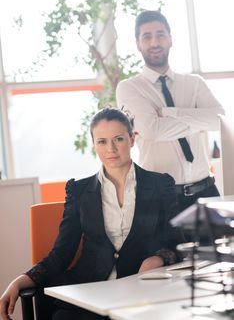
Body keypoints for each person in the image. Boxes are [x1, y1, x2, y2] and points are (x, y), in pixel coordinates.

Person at [0, 107, 184, 320]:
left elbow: (178, 242)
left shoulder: (161, 184)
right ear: (94, 143)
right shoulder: (79, 191)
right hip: (88, 292)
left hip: (141, 290)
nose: (111, 149)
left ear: (132, 139)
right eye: (102, 141)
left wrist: (158, 259)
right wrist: (20, 280)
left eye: (118, 139)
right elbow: (61, 254)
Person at [116, 10, 225, 215]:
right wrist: (197, 118)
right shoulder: (129, 88)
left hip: (207, 191)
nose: (154, 42)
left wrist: (170, 113)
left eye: (160, 34)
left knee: (221, 248)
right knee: (167, 249)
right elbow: (152, 131)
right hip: (161, 197)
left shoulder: (194, 83)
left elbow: (219, 120)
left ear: (170, 39)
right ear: (138, 44)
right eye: (146, 36)